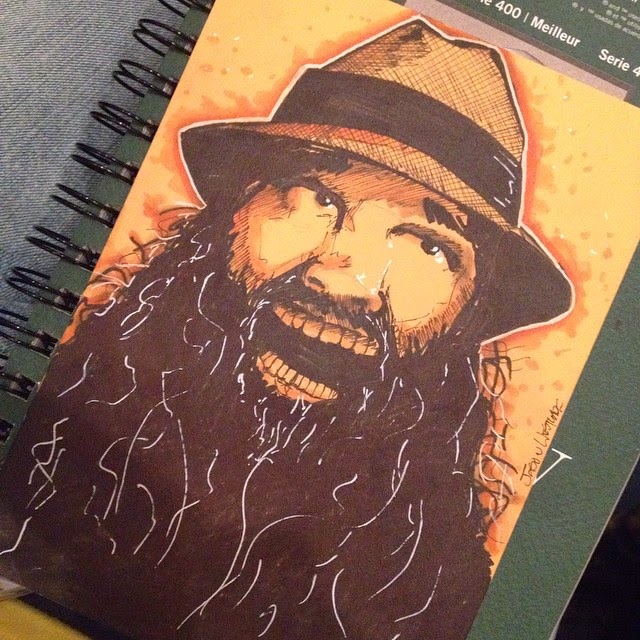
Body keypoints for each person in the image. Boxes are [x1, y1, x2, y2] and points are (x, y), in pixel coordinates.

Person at [0, 18, 573, 639]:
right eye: (316, 197)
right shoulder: (49, 435)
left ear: (470, 311)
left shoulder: (440, 597)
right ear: (235, 209)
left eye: (429, 246)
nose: (344, 280)